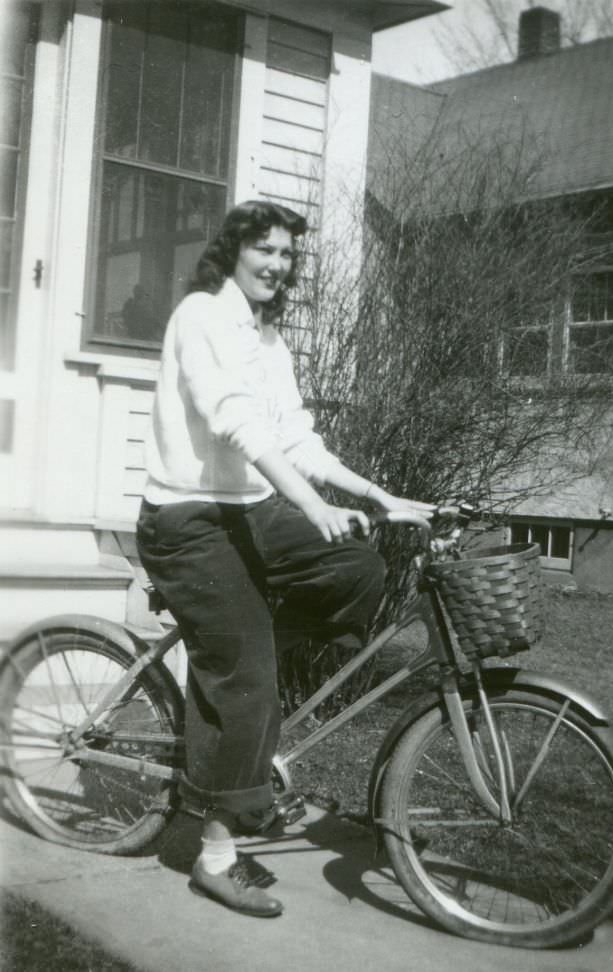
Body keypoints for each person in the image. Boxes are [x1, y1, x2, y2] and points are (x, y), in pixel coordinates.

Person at [136, 200, 433, 918]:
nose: (277, 264)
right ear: (233, 252)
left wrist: (376, 494)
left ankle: (245, 702)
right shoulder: (203, 317)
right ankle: (212, 856)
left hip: (245, 515)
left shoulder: (267, 339)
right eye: (264, 250)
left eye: (288, 255)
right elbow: (234, 420)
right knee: (247, 677)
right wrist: (309, 505)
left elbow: (297, 438)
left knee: (357, 566)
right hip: (187, 521)